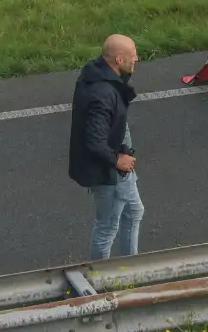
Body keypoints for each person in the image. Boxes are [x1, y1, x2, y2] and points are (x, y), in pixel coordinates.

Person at [68, 34, 145, 260]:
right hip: (107, 171)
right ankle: (100, 279)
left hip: (113, 167)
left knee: (133, 212)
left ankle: (129, 270)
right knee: (107, 228)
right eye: (133, 56)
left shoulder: (99, 75)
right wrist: (117, 159)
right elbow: (94, 140)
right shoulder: (102, 94)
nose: (137, 59)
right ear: (119, 60)